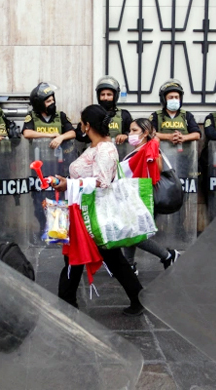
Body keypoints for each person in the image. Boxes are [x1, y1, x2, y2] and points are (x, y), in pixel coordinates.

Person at [51, 105, 144, 316]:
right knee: (104, 257)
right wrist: (67, 182)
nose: (80, 126)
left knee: (80, 256)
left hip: (94, 214)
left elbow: (102, 182)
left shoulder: (105, 149)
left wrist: (70, 184)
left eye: (82, 122)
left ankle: (67, 301)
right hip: (84, 210)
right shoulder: (95, 147)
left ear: (87, 125)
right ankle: (137, 297)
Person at [120, 118, 179, 274]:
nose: (130, 134)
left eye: (134, 130)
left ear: (145, 133)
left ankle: (167, 255)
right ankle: (129, 265)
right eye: (130, 130)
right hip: (133, 197)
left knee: (135, 234)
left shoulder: (150, 148)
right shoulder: (138, 150)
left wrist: (152, 150)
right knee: (131, 230)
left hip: (144, 197)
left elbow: (155, 172)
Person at [76, 76, 133, 145]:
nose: (105, 98)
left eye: (109, 95)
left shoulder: (124, 114)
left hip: (120, 153)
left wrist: (126, 135)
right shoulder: (91, 113)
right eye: (102, 95)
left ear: (115, 96)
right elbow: (79, 134)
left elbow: (134, 132)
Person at [22, 82, 76, 149]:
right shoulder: (32, 116)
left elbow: (72, 133)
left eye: (52, 100)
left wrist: (61, 137)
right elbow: (27, 133)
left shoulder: (60, 115)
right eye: (48, 101)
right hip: (37, 157)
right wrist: (50, 135)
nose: (52, 103)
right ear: (40, 104)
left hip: (58, 156)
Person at [149, 79, 202, 147]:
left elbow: (197, 134)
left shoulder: (186, 115)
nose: (174, 100)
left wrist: (183, 138)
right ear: (164, 99)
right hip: (161, 153)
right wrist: (169, 136)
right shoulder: (156, 115)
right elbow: (150, 133)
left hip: (184, 154)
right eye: (171, 97)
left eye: (176, 97)